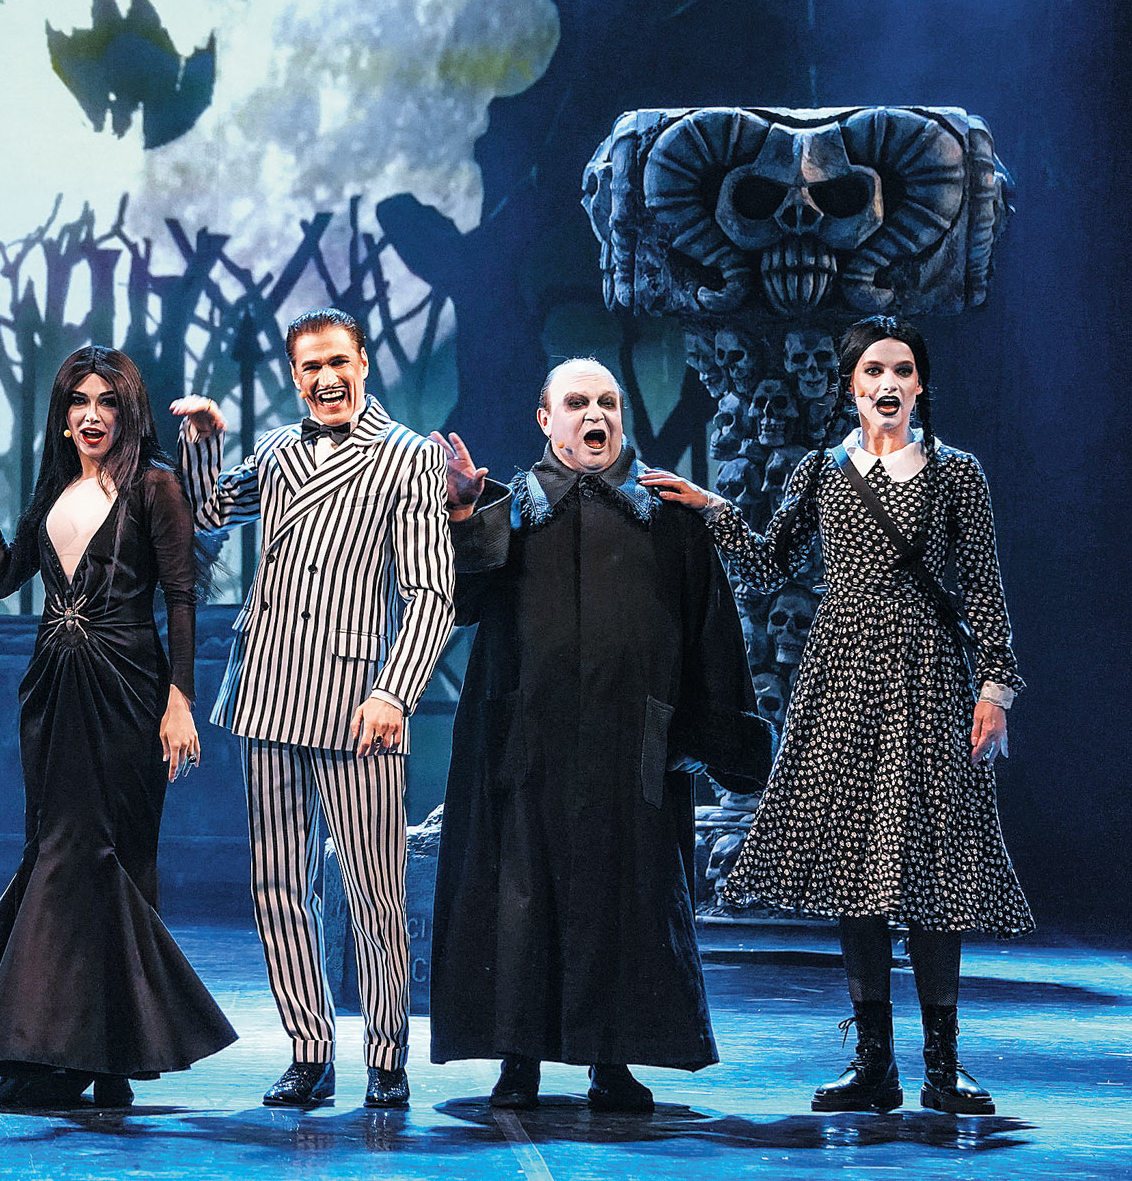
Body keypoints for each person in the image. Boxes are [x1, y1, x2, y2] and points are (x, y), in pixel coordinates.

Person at [642, 315, 1029, 1116]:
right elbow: (767, 562)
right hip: (841, 677)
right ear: (849, 386)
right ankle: (874, 1063)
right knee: (859, 864)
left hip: (928, 675)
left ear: (920, 384)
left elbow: (984, 586)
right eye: (873, 371)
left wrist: (994, 689)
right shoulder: (820, 471)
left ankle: (944, 1064)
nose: (888, 383)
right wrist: (709, 505)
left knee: (934, 863)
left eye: (902, 370)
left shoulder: (957, 473)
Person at [428, 359, 770, 1112]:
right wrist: (460, 516)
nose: (596, 414)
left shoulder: (668, 513)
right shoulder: (507, 508)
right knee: (522, 892)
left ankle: (613, 1059)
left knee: (627, 894)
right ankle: (518, 1058)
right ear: (545, 419)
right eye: (577, 402)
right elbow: (457, 603)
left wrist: (713, 733)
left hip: (630, 738)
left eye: (608, 402)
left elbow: (711, 629)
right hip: (527, 737)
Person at [0, 345, 235, 1108]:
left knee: (113, 855)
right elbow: (3, 579)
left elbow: (181, 596)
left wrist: (180, 700)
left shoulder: (155, 486)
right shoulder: (54, 488)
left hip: (128, 686)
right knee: (53, 852)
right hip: (53, 687)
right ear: (63, 417)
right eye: (79, 401)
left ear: (129, 413)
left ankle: (102, 1056)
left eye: (108, 402)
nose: (93, 415)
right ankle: (58, 1053)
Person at [169, 308, 453, 1109]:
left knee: (373, 888)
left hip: (359, 699)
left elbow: (430, 589)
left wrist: (395, 690)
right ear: (294, 377)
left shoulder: (407, 456)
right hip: (268, 687)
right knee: (277, 884)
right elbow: (207, 514)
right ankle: (309, 1051)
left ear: (363, 362)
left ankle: (387, 1057)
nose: (326, 379)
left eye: (337, 362)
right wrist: (205, 441)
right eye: (310, 367)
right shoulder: (278, 451)